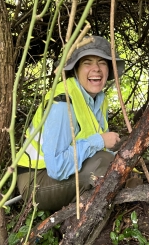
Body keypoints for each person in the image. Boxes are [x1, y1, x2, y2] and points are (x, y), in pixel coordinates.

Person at [16, 35, 125, 211]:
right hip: (37, 183)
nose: (96, 69)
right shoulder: (62, 102)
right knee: (103, 163)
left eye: (102, 63)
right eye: (87, 63)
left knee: (116, 159)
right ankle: (90, 217)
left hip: (54, 176)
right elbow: (57, 168)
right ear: (75, 69)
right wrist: (99, 141)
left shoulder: (97, 99)